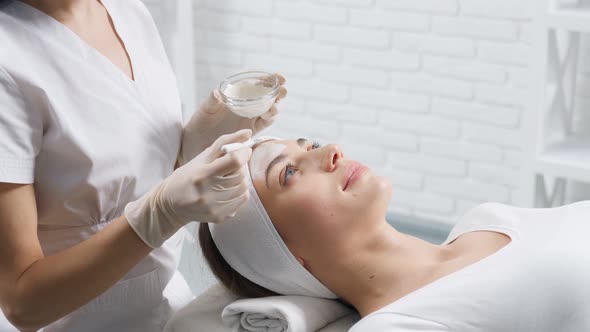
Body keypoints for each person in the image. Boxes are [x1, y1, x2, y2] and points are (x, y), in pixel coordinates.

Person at [0, 0, 287, 330]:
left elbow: (125, 177)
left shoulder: (127, 10)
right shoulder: (8, 60)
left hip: (161, 308)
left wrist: (195, 142)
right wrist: (160, 214)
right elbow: (22, 304)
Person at [199, 137, 590, 331]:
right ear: (287, 258)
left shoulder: (485, 218)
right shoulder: (396, 326)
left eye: (311, 144)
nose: (331, 151)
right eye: (289, 172)